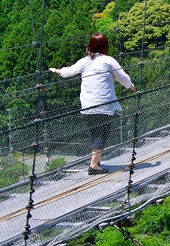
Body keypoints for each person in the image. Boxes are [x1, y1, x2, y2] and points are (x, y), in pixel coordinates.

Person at [49, 33, 135, 175]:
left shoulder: (84, 61)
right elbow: (122, 77)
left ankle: (95, 161)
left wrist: (58, 71)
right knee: (102, 133)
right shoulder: (109, 61)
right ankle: (94, 166)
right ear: (105, 46)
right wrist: (130, 86)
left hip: (88, 105)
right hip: (104, 104)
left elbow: (69, 71)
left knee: (95, 133)